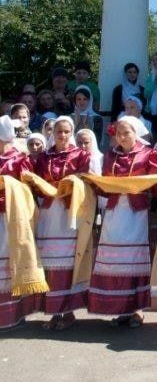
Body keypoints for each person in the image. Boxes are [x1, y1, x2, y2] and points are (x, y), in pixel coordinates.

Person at [88, 116, 157, 327]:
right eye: (119, 133)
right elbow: (105, 183)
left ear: (137, 132)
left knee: (133, 260)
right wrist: (91, 182)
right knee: (115, 262)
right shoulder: (110, 154)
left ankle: (138, 310)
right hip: (114, 212)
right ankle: (120, 308)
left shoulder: (149, 153)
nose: (122, 137)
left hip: (135, 213)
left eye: (127, 133)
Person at [33, 116, 92, 331]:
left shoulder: (81, 155)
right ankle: (53, 311)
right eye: (59, 131)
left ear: (72, 133)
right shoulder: (44, 157)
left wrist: (69, 184)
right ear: (52, 133)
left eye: (67, 131)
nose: (63, 135)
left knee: (67, 263)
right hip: (50, 213)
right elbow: (37, 182)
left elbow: (85, 180)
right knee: (49, 262)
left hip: (70, 213)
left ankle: (68, 311)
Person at [0, 115, 36, 331]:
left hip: (9, 216)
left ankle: (11, 315)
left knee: (8, 260)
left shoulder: (19, 159)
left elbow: (27, 187)